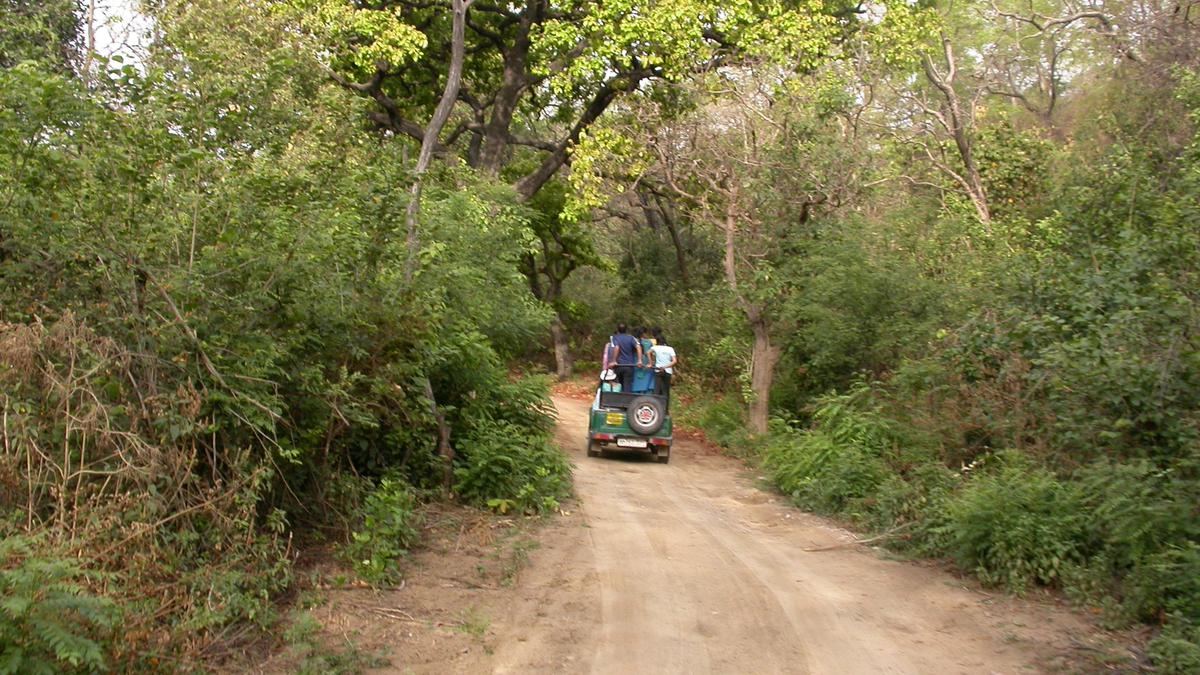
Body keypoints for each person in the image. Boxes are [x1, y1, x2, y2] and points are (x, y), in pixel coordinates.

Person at [608, 323, 641, 393]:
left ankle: (618, 401)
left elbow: (617, 347)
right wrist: (639, 360)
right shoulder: (631, 338)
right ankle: (626, 402)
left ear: (618, 330)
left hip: (619, 365)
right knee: (628, 385)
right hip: (629, 366)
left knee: (618, 384)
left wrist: (614, 361)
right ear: (626, 330)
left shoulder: (615, 338)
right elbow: (638, 346)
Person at [649, 329, 677, 401]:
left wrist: (651, 363)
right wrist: (665, 367)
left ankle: (655, 407)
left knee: (656, 390)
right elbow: (674, 361)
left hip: (658, 370)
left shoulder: (655, 347)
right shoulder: (670, 349)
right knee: (666, 391)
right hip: (667, 371)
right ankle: (665, 409)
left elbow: (648, 353)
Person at [630, 326, 656, 394]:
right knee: (646, 383)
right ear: (644, 333)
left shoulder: (633, 341)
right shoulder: (648, 342)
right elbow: (650, 354)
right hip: (646, 364)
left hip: (635, 363)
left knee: (635, 382)